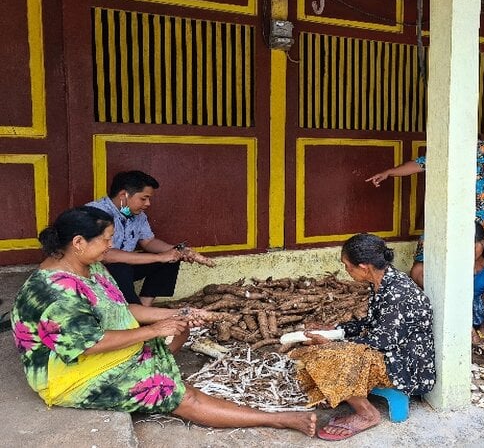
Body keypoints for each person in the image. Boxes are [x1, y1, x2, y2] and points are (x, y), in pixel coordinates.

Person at [10, 206, 316, 436]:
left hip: (97, 347)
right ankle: (280, 419)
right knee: (177, 393)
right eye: (106, 240)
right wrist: (155, 330)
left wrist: (178, 314)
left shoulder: (90, 266)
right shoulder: (53, 292)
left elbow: (123, 310)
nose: (110, 246)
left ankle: (156, 369)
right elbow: (87, 346)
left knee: (174, 335)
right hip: (70, 374)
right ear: (78, 241)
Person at [290, 233, 435, 441]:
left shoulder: (398, 293)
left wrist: (334, 342)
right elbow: (371, 324)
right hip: (391, 353)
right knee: (317, 351)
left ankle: (367, 414)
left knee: (330, 356)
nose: (346, 270)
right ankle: (341, 392)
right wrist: (336, 330)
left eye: (347, 266)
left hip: (405, 367)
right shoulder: (383, 282)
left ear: (364, 267)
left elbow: (382, 342)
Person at [366, 141, 484, 287]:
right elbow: (420, 164)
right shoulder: (444, 146)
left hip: (477, 218)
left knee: (473, 266)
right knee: (419, 271)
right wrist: (389, 172)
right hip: (442, 219)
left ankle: (472, 301)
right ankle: (443, 302)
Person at [86, 170, 215, 306]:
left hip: (126, 265)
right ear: (124, 195)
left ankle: (144, 306)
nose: (148, 203)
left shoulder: (137, 215)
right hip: (100, 270)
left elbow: (148, 242)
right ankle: (132, 311)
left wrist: (178, 251)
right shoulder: (96, 213)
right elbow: (106, 255)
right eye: (143, 198)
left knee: (171, 258)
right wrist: (159, 257)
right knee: (121, 268)